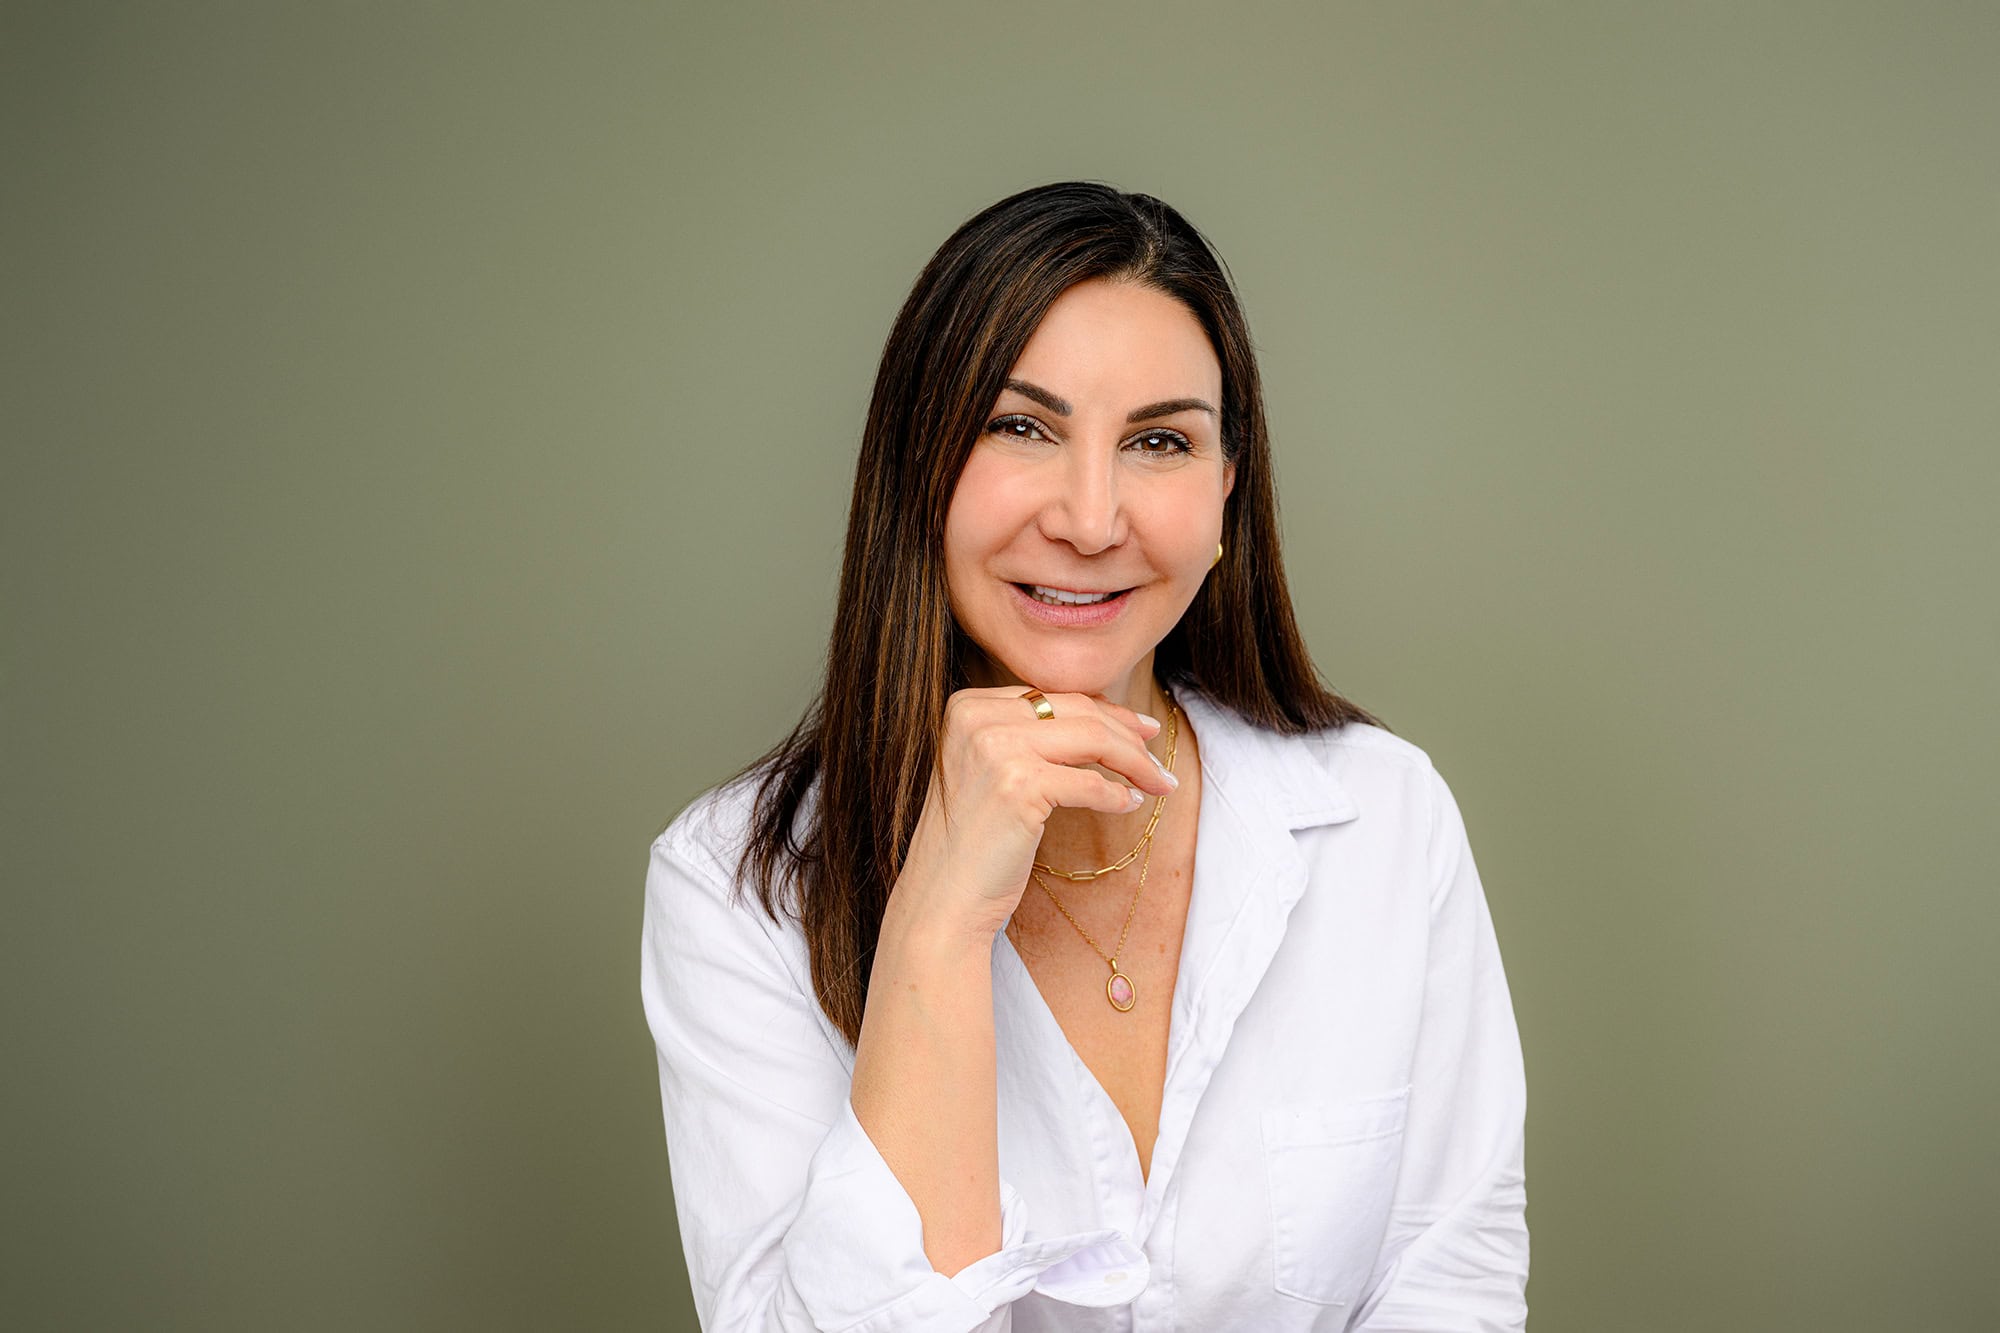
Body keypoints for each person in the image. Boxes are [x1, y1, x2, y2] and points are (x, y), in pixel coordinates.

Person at [639, 180, 1528, 1331]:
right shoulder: (733, 885)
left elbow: (1446, 1284)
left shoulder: (1382, 814)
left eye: (1158, 440)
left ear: (1224, 493)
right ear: (919, 464)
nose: (1092, 517)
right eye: (1023, 427)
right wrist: (939, 921)